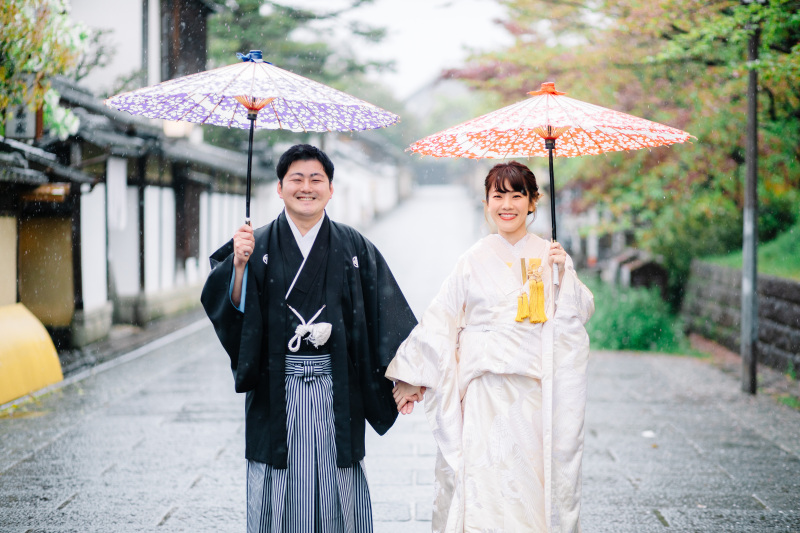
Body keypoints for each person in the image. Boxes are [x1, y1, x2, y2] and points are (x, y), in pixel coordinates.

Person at [201, 144, 417, 533]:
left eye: (316, 179)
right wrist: (238, 265)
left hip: (338, 388)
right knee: (276, 485)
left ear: (331, 189)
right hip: (275, 387)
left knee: (338, 487)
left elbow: (386, 310)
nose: (306, 187)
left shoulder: (353, 246)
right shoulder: (257, 245)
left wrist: (404, 374)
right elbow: (228, 307)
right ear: (279, 188)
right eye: (296, 179)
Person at [386, 161, 594, 532]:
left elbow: (578, 315)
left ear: (533, 202)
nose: (507, 204)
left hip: (532, 391)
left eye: (518, 195)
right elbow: (441, 316)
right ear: (486, 202)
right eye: (498, 195)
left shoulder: (550, 256)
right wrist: (412, 377)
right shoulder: (472, 259)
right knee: (482, 482)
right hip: (482, 392)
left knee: (529, 483)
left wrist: (565, 276)